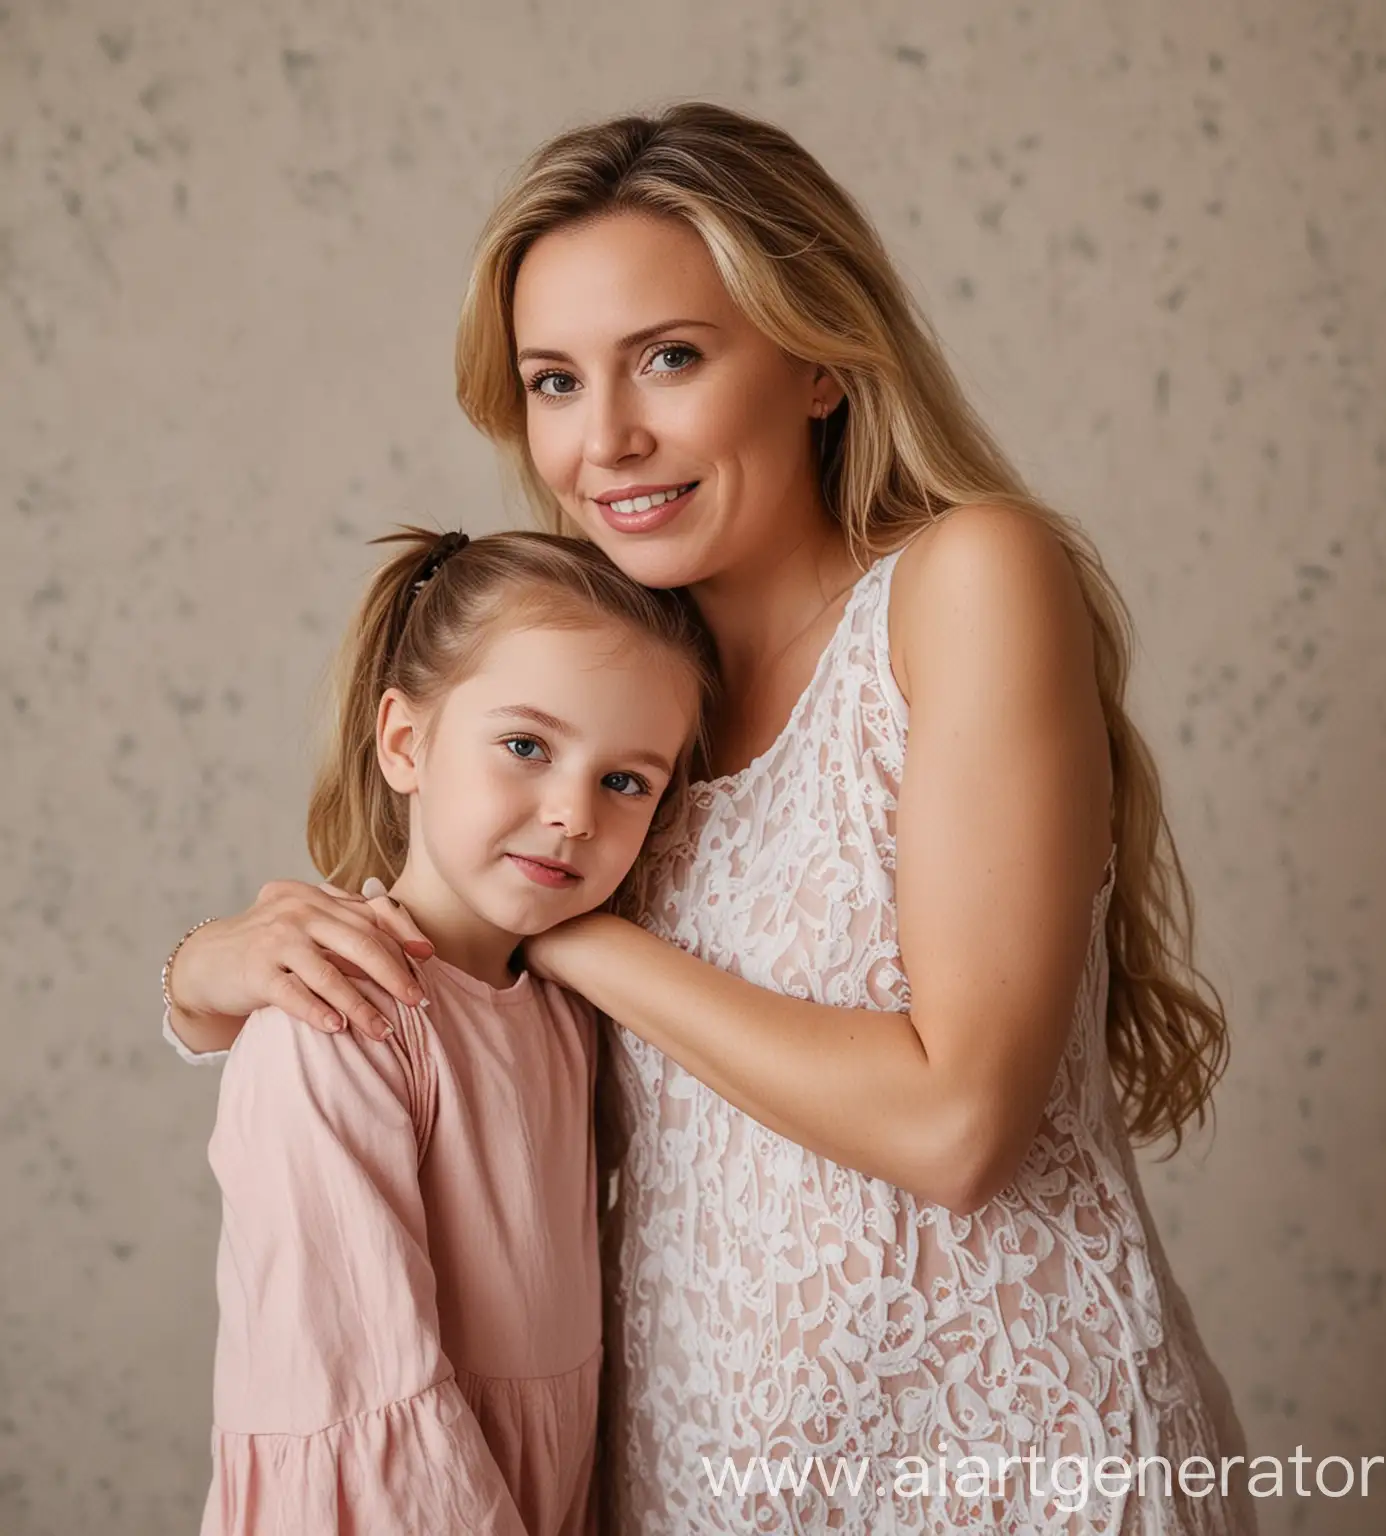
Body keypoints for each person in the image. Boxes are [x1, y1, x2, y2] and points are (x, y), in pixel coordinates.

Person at [162, 103, 1258, 1533]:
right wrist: (201, 975)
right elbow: (432, 967)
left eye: (668, 359)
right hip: (703, 1476)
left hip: (1012, 1457)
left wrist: (583, 942)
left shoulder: (964, 583)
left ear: (816, 360)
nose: (605, 439)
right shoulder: (605, 688)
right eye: (554, 383)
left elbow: (957, 1124)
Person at [179, 527, 712, 1536]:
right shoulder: (340, 1019)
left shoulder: (566, 1011)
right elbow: (365, 1389)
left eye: (626, 781)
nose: (570, 814)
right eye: (527, 747)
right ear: (405, 742)